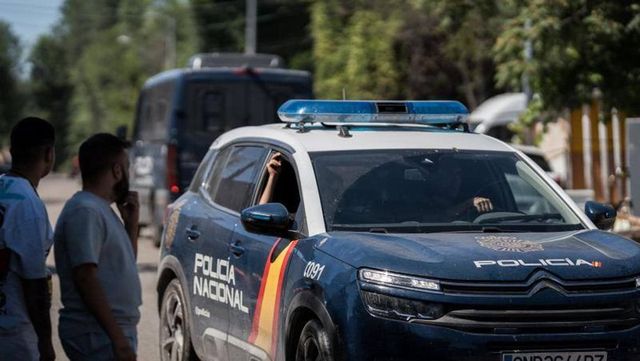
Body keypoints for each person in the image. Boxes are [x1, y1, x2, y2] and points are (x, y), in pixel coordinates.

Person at [54, 133, 141, 361]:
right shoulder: (86, 211)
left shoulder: (100, 209)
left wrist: (131, 226)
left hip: (106, 332)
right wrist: (118, 340)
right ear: (117, 171)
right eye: (126, 167)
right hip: (96, 333)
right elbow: (85, 277)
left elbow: (124, 266)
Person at [0, 117, 56, 361]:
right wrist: (45, 341)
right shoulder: (28, 206)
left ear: (12, 152)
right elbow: (34, 283)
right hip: (13, 335)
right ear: (49, 154)